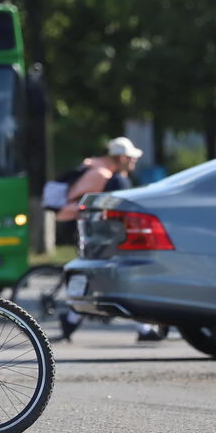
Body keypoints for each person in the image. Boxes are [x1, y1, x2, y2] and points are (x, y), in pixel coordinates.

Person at [55, 137, 165, 343]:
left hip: (101, 238)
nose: (134, 162)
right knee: (125, 280)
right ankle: (144, 327)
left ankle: (71, 320)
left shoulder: (111, 178)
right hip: (115, 240)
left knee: (98, 281)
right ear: (122, 158)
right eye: (132, 158)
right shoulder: (118, 181)